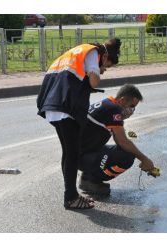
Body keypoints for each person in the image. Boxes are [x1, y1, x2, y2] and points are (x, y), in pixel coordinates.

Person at [36, 38, 121, 209]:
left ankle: (71, 194)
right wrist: (97, 69)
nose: (104, 70)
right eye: (106, 66)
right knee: (72, 154)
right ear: (105, 56)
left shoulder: (76, 52)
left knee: (68, 153)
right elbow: (94, 81)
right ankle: (71, 198)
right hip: (67, 107)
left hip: (54, 105)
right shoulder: (92, 52)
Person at [78, 84, 155, 196]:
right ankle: (91, 180)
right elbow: (123, 142)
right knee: (126, 157)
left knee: (123, 150)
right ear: (122, 100)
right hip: (81, 156)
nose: (132, 110)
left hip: (80, 153)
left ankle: (88, 177)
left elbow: (118, 141)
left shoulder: (108, 104)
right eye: (132, 106)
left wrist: (122, 118)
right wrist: (144, 159)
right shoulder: (113, 110)